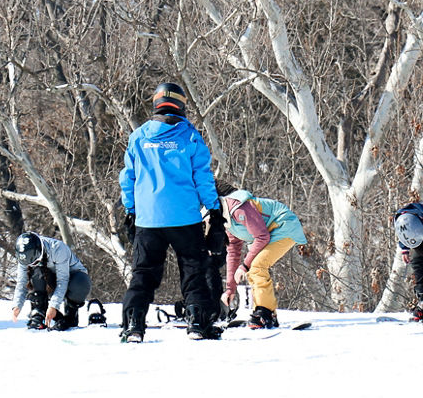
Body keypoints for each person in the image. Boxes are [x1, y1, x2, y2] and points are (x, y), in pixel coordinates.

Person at [119, 82, 225, 343]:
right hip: (184, 217)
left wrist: (130, 209)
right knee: (193, 270)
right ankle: (198, 322)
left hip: (148, 218)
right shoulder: (189, 136)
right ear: (181, 104)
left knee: (143, 272)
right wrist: (213, 208)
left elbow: (128, 178)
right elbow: (203, 176)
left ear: (156, 103)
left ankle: (133, 324)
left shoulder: (139, 136)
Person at [216, 182, 307, 329]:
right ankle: (265, 312)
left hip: (284, 226)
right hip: (271, 232)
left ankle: (265, 312)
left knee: (257, 266)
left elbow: (262, 236)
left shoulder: (238, 209)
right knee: (254, 268)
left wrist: (244, 266)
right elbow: (233, 252)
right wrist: (230, 289)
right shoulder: (225, 220)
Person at [11, 232, 92, 331]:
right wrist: (17, 305)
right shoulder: (24, 256)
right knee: (36, 272)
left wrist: (53, 306)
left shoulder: (58, 249)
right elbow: (22, 282)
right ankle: (39, 311)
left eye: (35, 262)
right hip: (48, 279)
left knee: (80, 282)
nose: (32, 264)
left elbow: (63, 281)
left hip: (72, 278)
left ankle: (70, 314)